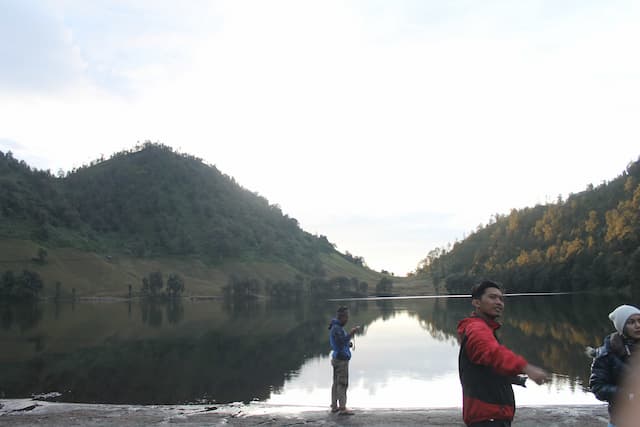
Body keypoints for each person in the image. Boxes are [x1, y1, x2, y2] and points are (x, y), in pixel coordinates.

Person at [457, 280, 549, 427]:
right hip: (488, 418)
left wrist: (513, 378)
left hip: (490, 416)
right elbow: (492, 353)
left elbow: (486, 366)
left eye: (501, 299)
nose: (499, 302)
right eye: (492, 297)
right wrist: (526, 367)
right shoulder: (477, 329)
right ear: (476, 303)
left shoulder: (482, 328)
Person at [589, 304, 640, 427]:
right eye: (631, 322)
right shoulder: (606, 354)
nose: (638, 325)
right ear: (622, 327)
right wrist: (627, 394)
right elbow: (598, 387)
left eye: (639, 320)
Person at [328, 306, 360, 415]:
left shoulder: (336, 327)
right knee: (342, 383)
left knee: (336, 383)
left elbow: (340, 342)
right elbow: (341, 342)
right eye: (346, 317)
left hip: (337, 357)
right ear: (342, 317)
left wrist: (348, 343)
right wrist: (351, 333)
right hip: (341, 360)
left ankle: (334, 406)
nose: (347, 319)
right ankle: (342, 408)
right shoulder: (337, 328)